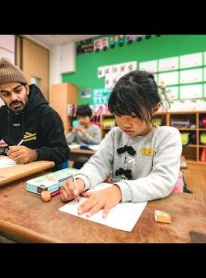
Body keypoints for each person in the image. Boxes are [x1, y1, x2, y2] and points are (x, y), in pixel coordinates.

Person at [60, 70, 182, 218]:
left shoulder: (167, 136)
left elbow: (162, 180)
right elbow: (98, 165)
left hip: (149, 211)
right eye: (118, 114)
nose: (125, 124)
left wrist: (117, 190)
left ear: (154, 108)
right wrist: (81, 181)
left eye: (133, 115)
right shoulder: (115, 135)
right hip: (116, 211)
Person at [0, 57, 69, 170]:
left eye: (18, 90)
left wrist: (35, 154)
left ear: (27, 88)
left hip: (45, 176)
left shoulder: (47, 114)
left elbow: (63, 151)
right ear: (0, 96)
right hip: (15, 172)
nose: (14, 98)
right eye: (6, 94)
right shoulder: (2, 114)